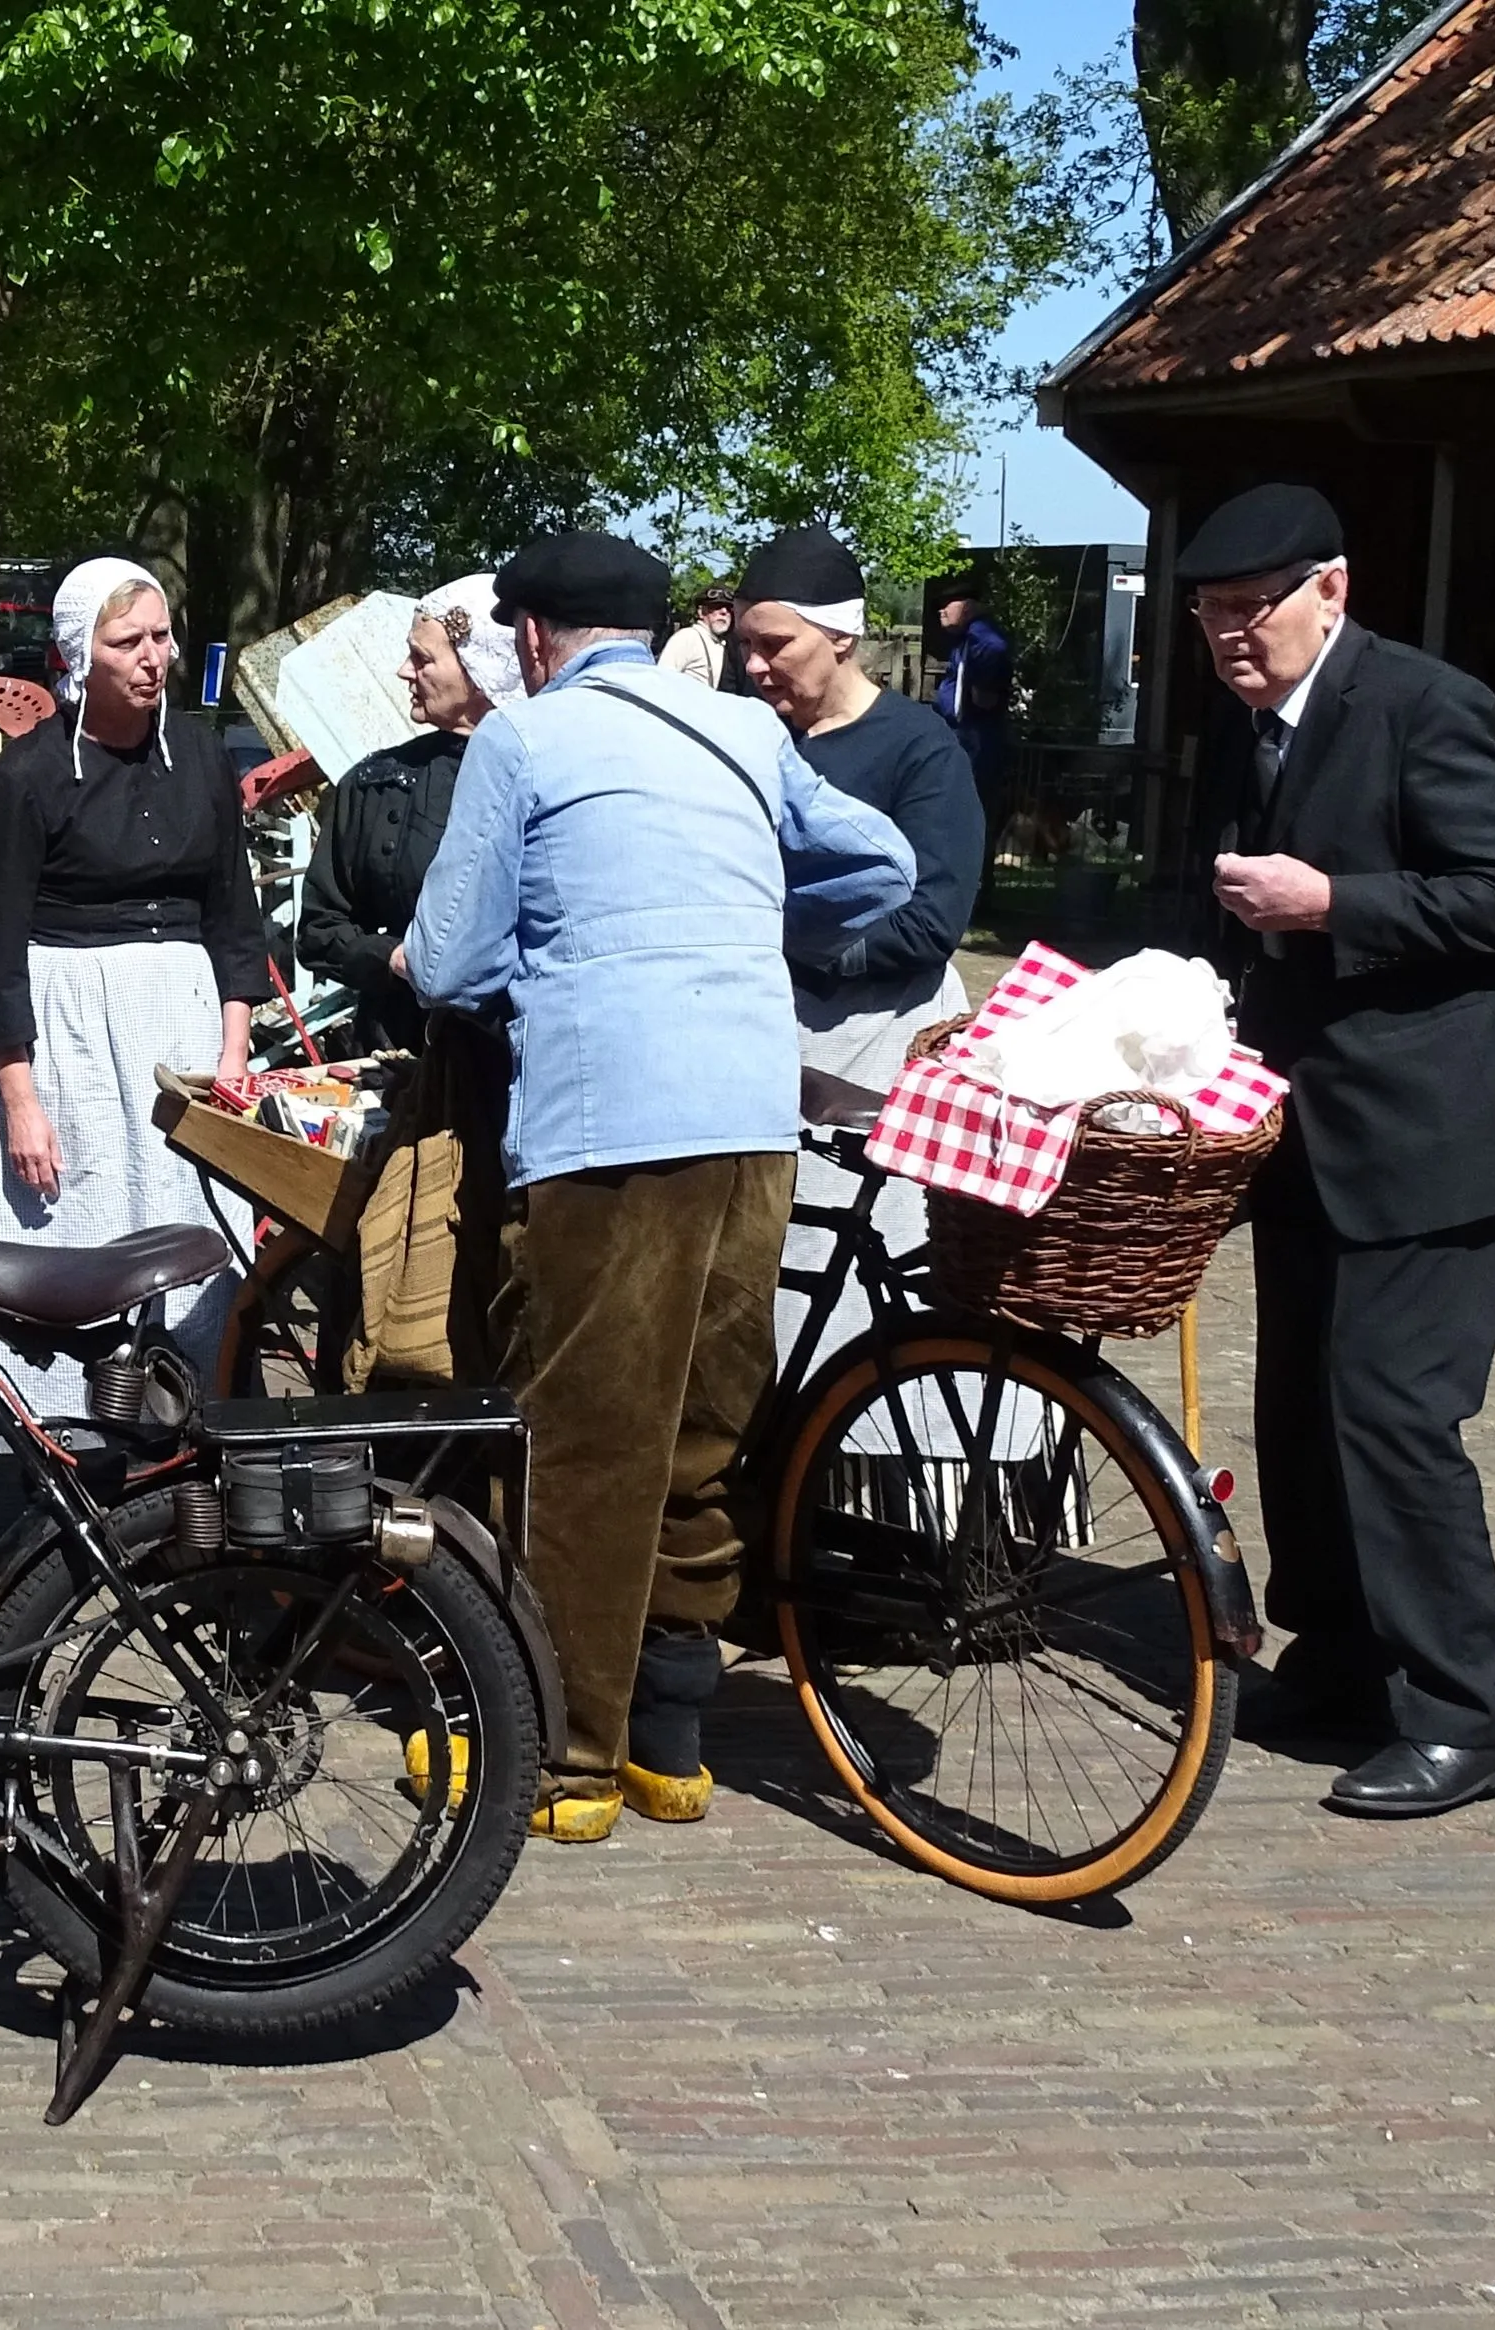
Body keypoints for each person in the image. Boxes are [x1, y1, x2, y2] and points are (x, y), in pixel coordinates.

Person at [406, 531, 915, 1841]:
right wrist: (745, 935)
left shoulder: (522, 741)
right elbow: (884, 867)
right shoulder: (741, 733)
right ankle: (667, 1739)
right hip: (750, 1112)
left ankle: (562, 1761)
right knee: (698, 1426)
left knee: (580, 1438)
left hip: (603, 1120)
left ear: (528, 638)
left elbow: (449, 961)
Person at [1181, 482, 1495, 1818]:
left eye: (1251, 609)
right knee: (1295, 1418)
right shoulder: (1240, 730)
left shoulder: (1422, 705)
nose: (1229, 637)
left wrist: (1331, 900)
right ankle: (1337, 1660)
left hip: (1432, 1134)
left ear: (1328, 590)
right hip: (1304, 1134)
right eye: (1208, 616)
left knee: (1393, 1416)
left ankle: (1461, 1712)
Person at [0, 556, 271, 1416]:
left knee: (189, 1221)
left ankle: (188, 1416)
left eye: (161, 636)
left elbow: (232, 916)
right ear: (76, 656)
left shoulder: (201, 758)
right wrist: (19, 1100)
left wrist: (233, 1053)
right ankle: (57, 1433)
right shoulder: (24, 779)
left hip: (183, 1027)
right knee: (74, 1220)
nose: (151, 656)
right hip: (68, 1041)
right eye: (126, 640)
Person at [730, 524, 985, 1358]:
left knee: (862, 1288)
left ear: (839, 637)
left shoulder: (917, 748)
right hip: (763, 1042)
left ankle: (865, 1472)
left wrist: (803, 950)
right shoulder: (746, 739)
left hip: (876, 1045)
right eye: (744, 647)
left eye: (775, 645)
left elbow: (932, 918)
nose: (755, 665)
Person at [296, 573, 523, 1053]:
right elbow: (319, 930)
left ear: (479, 668)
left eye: (422, 658)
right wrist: (396, 958)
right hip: (399, 1052)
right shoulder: (380, 782)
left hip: (521, 1057)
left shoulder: (545, 774)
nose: (403, 670)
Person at [932, 578, 1015, 827]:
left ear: (967, 607)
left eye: (948, 604)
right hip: (960, 734)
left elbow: (986, 693)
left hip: (976, 738)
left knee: (972, 809)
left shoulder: (982, 638)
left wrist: (983, 687)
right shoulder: (965, 641)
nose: (941, 610)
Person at [656, 584, 734, 687]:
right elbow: (662, 679)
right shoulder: (687, 637)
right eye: (716, 607)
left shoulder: (728, 644)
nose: (724, 612)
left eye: (729, 608)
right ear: (701, 612)